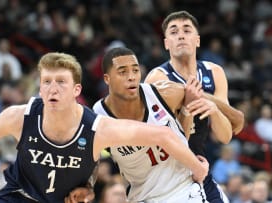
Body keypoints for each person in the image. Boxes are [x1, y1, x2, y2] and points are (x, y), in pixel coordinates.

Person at [0, 52, 208, 203]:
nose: (52, 88)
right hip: (19, 197)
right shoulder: (21, 116)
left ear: (76, 90)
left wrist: (196, 166)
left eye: (61, 82)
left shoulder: (97, 128)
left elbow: (162, 135)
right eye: (46, 82)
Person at [92, 47, 242, 202]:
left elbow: (227, 114)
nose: (131, 77)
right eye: (123, 72)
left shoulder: (165, 93)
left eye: (135, 70)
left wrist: (231, 113)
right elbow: (87, 158)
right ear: (107, 79)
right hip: (143, 197)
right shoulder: (98, 117)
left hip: (185, 189)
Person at [144, 10, 244, 203]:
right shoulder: (158, 78)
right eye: (173, 31)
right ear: (166, 43)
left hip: (200, 167)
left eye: (187, 30)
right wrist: (186, 108)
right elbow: (159, 139)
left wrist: (214, 110)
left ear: (197, 40)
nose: (180, 35)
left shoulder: (214, 72)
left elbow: (225, 137)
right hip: (167, 174)